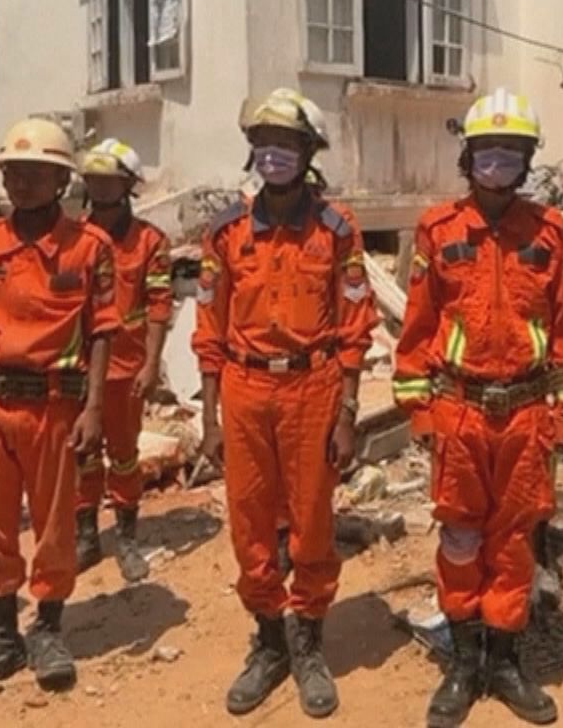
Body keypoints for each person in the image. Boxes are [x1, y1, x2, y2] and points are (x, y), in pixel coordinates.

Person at [394, 89, 563, 728]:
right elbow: (418, 328)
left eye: (511, 153)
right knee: (459, 539)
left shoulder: (550, 231)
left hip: (527, 416)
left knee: (512, 542)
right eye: (487, 152)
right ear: (467, 157)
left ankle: (504, 660)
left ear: (528, 160)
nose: (497, 164)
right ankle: (463, 661)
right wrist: (421, 414)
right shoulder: (438, 230)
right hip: (460, 412)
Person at [193, 88, 377, 719]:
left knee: (311, 521)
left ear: (308, 153)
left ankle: (310, 643)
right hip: (244, 391)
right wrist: (208, 418)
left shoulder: (336, 230)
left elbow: (355, 325)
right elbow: (208, 330)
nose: (274, 155)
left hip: (313, 389)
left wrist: (349, 413)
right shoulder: (223, 232)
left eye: (288, 144)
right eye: (264, 143)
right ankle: (269, 641)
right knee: (250, 520)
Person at [0, 118, 121, 696]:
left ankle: (48, 628)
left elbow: (102, 331)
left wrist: (94, 409)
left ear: (62, 179)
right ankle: (1, 635)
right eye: (13, 171)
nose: (21, 182)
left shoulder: (90, 248)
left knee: (54, 525)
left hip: (55, 408)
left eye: (35, 171)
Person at [74, 138, 175, 582]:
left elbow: (158, 305)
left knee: (124, 455)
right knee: (82, 454)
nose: (99, 188)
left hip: (125, 367)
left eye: (108, 180)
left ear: (128, 185)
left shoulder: (149, 242)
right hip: (76, 368)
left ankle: (127, 537)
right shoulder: (73, 236)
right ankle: (85, 536)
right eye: (93, 179)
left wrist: (151, 364)